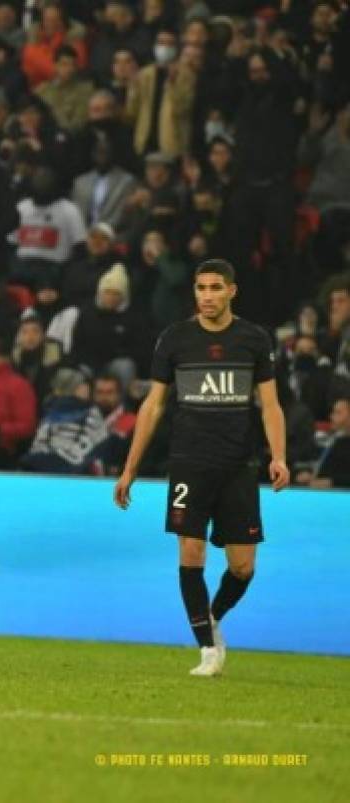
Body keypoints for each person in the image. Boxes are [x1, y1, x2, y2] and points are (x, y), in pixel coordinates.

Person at [114, 259, 288, 677]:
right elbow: (153, 405)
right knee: (190, 554)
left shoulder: (252, 339)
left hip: (238, 465)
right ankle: (208, 649)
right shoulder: (175, 339)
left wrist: (277, 456)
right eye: (200, 288)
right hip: (189, 462)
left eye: (214, 288)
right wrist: (130, 468)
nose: (206, 296)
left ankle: (211, 618)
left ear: (232, 291)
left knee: (243, 567)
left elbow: (270, 405)